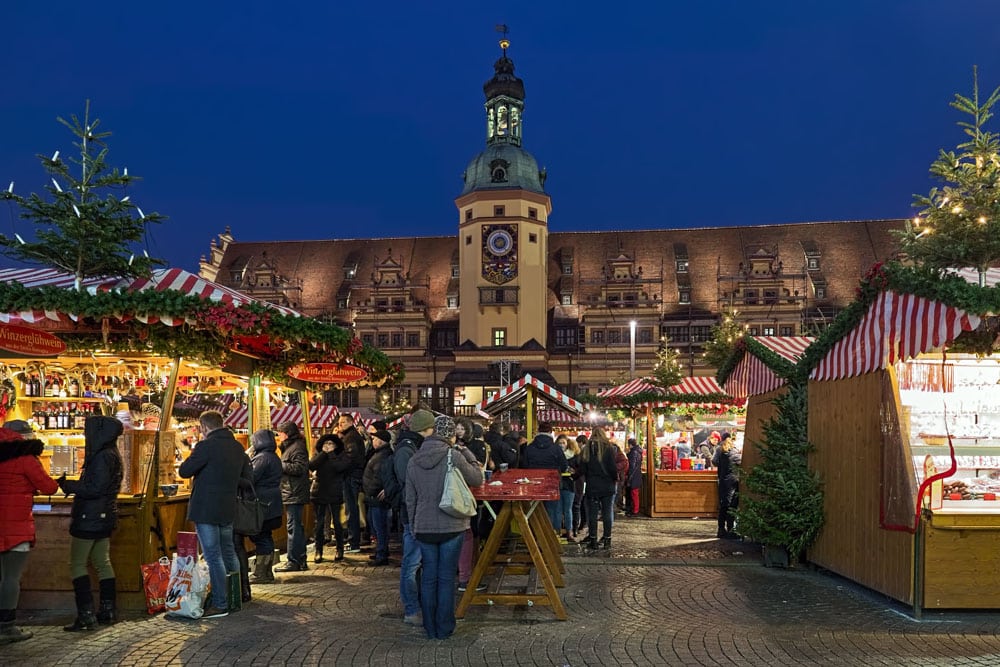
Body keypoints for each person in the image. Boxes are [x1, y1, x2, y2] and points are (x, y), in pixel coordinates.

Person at [405, 414, 483, 640]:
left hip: (423, 526)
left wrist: (413, 525)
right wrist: (465, 450)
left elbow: (410, 499)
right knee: (447, 577)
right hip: (451, 524)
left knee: (429, 576)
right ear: (450, 435)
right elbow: (477, 478)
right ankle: (445, 627)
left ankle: (429, 627)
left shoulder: (413, 460)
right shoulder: (453, 455)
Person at [178, 410, 252, 619]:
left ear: (204, 427)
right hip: (227, 507)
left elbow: (184, 471)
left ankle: (220, 603)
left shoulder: (205, 446)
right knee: (228, 552)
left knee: (213, 556)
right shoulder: (237, 447)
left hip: (206, 509)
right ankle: (235, 597)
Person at [57, 415, 124, 631]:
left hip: (90, 516)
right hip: (104, 515)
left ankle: (86, 615)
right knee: (102, 562)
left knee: (77, 563)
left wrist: (69, 486)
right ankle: (108, 610)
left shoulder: (101, 456)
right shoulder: (112, 453)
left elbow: (95, 488)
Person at [0, 424, 59, 644]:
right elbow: (49, 488)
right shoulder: (25, 458)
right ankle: (6, 628)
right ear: (23, 437)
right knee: (10, 578)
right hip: (16, 528)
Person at [392, 409, 434, 625]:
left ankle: (417, 605)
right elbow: (408, 485)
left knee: (416, 563)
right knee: (411, 563)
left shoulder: (413, 447)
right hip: (412, 515)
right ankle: (411, 609)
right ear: (424, 429)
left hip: (419, 513)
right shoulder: (406, 451)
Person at [247, 428, 283, 585]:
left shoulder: (262, 458)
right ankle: (266, 572)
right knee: (265, 535)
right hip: (272, 503)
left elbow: (250, 477)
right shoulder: (273, 456)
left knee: (260, 536)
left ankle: (261, 573)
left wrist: (247, 460)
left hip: (262, 503)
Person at [309, 433, 351, 563]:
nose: (328, 446)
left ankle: (339, 549)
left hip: (335, 492)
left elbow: (339, 467)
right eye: (326, 444)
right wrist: (323, 454)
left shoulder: (341, 456)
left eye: (331, 444)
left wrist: (331, 455)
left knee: (337, 522)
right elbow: (312, 465)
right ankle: (318, 550)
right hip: (320, 492)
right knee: (320, 523)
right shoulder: (319, 455)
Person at [274, 421, 309, 572]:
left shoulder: (297, 447)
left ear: (286, 433)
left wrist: (280, 465)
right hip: (292, 490)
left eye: (280, 432)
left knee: (293, 527)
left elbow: (300, 468)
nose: (278, 435)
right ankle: (299, 559)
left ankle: (293, 561)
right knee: (296, 527)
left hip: (294, 491)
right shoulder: (291, 446)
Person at [520, 421, 568, 532]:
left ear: (538, 431)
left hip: (533, 484)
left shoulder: (530, 448)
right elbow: (564, 466)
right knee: (552, 509)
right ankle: (551, 535)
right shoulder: (556, 448)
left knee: (534, 510)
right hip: (552, 484)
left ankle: (536, 535)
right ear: (550, 432)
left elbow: (524, 466)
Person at [580, 427, 617, 550]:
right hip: (607, 485)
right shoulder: (609, 448)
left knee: (592, 514)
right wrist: (615, 478)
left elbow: (583, 469)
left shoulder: (587, 449)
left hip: (593, 486)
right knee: (607, 513)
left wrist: (574, 476)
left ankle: (593, 540)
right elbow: (612, 468)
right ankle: (607, 540)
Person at [336, 413, 367, 553]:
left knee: (351, 508)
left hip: (350, 476)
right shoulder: (350, 437)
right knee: (351, 508)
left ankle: (353, 541)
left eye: (342, 422)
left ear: (350, 422)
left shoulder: (351, 438)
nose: (340, 425)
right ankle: (353, 540)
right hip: (352, 475)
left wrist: (338, 466)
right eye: (339, 422)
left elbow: (350, 458)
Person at [362, 430, 393, 566]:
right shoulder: (380, 454)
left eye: (374, 439)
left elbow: (379, 477)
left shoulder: (383, 456)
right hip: (373, 497)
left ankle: (382, 553)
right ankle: (381, 551)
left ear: (381, 440)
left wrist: (372, 490)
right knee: (377, 526)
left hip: (377, 498)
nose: (372, 441)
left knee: (380, 527)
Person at [712, 432, 741, 539]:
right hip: (732, 482)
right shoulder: (734, 452)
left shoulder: (719, 450)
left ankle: (721, 529)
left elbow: (714, 462)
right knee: (732, 506)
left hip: (722, 481)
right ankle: (730, 529)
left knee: (723, 505)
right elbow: (742, 462)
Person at [556, 434, 579, 541]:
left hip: (569, 485)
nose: (561, 445)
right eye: (559, 443)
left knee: (568, 510)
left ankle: (569, 531)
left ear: (567, 444)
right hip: (558, 485)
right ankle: (558, 531)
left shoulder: (574, 456)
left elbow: (576, 470)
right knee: (558, 510)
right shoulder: (555, 456)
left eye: (563, 443)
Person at [625, 438, 643, 517]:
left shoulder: (634, 452)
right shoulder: (638, 451)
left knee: (634, 493)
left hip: (634, 475)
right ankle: (634, 509)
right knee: (634, 493)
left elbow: (632, 465)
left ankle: (635, 510)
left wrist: (629, 476)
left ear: (630, 444)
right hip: (637, 474)